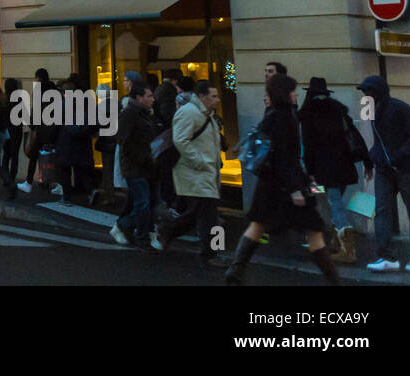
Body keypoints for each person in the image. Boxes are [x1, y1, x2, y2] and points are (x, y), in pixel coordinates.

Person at [226, 74, 339, 284]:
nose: (296, 94)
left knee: (257, 226)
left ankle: (235, 270)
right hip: (286, 186)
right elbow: (285, 156)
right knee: (314, 229)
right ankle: (333, 279)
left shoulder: (275, 114)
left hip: (270, 186)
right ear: (285, 93)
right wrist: (297, 187)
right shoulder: (284, 117)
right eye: (293, 90)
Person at [155, 79, 224, 266]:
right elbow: (181, 140)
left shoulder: (205, 114)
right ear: (202, 96)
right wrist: (200, 162)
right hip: (194, 172)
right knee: (209, 214)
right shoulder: (189, 113)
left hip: (204, 171)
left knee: (197, 213)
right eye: (214, 96)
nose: (217, 99)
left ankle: (167, 231)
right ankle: (211, 254)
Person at [358, 75, 410, 272]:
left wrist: (399, 156)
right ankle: (386, 256)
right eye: (364, 92)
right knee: (382, 211)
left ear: (379, 91)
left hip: (406, 169)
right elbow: (376, 138)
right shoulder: (370, 109)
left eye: (369, 91)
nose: (366, 95)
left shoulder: (399, 107)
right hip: (384, 169)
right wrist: (373, 157)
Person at [298, 77, 363, 263]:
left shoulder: (309, 114)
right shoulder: (339, 111)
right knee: (336, 202)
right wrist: (366, 162)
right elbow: (353, 135)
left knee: (334, 203)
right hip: (344, 167)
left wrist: (310, 172)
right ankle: (336, 241)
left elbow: (308, 146)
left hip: (326, 170)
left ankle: (348, 250)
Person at [110, 82, 157, 251]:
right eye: (149, 96)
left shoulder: (146, 114)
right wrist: (142, 158)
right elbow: (124, 141)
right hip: (136, 167)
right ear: (139, 98)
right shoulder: (129, 114)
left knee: (148, 202)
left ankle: (127, 227)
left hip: (147, 165)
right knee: (142, 203)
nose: (153, 99)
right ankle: (140, 237)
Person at [55, 77, 98, 204]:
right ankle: (91, 190)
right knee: (81, 169)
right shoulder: (84, 103)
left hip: (66, 141)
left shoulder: (62, 105)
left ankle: (66, 197)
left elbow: (55, 123)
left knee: (65, 170)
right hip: (82, 141)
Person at [20, 68, 58, 192]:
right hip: (53, 129)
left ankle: (29, 182)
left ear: (38, 77)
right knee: (51, 156)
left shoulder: (39, 90)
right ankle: (52, 182)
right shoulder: (55, 90)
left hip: (40, 129)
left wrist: (32, 125)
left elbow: (36, 111)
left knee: (34, 156)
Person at [3, 78, 24, 186]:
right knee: (14, 155)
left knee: (6, 155)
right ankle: (12, 177)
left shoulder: (4, 99)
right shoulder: (18, 99)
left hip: (6, 131)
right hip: (17, 130)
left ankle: (5, 178)